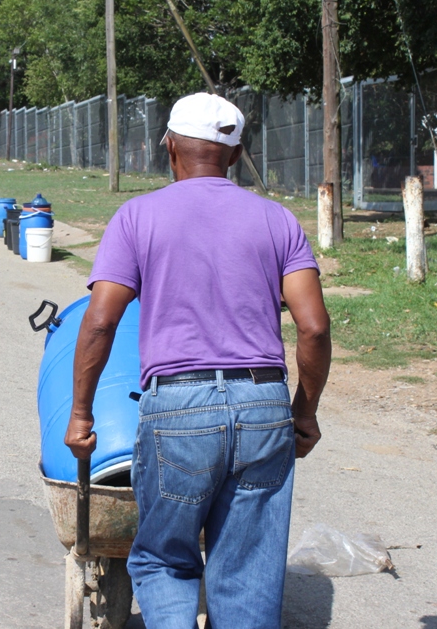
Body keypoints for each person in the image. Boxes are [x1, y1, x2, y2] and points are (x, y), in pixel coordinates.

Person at [65, 93, 331, 628]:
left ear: (168, 147)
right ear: (233, 157)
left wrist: (81, 413)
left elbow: (98, 321)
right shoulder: (277, 220)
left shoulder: (137, 216)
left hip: (179, 407)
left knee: (164, 560)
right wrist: (304, 413)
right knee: (248, 567)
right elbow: (314, 326)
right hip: (264, 405)